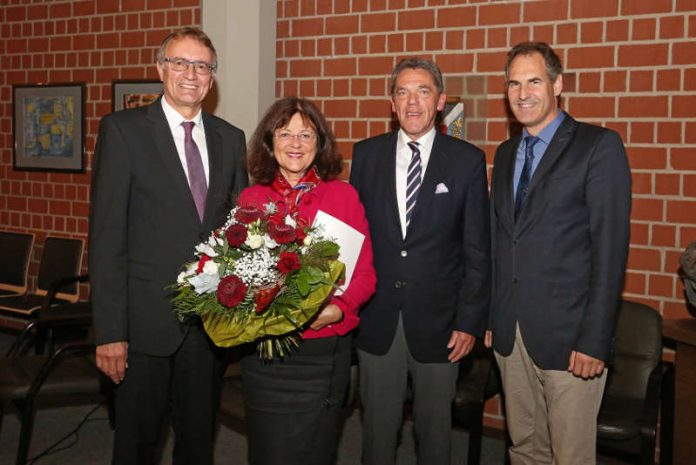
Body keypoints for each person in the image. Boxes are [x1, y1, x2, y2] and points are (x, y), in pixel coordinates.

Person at [89, 27, 248, 465]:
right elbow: (106, 238)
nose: (190, 74)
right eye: (179, 62)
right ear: (161, 69)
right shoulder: (123, 131)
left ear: (212, 77)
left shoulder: (230, 138)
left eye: (201, 66)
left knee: (197, 444)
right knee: (137, 446)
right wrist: (110, 332)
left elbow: (237, 232)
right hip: (142, 328)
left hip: (207, 328)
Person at [485, 41, 632, 465]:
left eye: (534, 81)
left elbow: (610, 252)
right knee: (525, 448)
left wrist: (595, 339)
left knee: (570, 456)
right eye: (513, 83)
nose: (522, 93)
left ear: (558, 85)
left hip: (572, 342)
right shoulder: (507, 152)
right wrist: (497, 314)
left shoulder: (598, 147)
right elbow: (502, 241)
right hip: (512, 336)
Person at [349, 57, 491, 465]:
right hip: (378, 322)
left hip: (442, 325)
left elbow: (477, 250)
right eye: (403, 92)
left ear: (441, 101)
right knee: (377, 433)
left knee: (435, 437)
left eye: (423, 91)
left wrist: (470, 321)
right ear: (391, 103)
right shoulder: (367, 155)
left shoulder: (466, 161)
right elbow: (356, 241)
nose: (412, 102)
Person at [237, 96, 376, 465]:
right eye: (285, 134)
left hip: (322, 354)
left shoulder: (344, 197)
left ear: (320, 144)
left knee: (317, 452)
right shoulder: (252, 199)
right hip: (266, 355)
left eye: (306, 135)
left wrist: (339, 308)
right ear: (270, 143)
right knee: (266, 453)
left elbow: (365, 274)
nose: (296, 144)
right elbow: (235, 274)